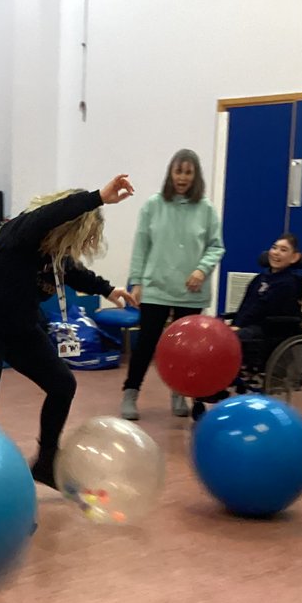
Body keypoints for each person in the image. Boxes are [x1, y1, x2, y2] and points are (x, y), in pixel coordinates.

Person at [0, 175, 137, 488]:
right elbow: (50, 214)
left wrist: (108, 289)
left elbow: (74, 273)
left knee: (63, 384)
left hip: (20, 329)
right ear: (67, 225)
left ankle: (46, 462)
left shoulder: (54, 254)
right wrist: (98, 197)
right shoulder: (21, 231)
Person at [121, 149, 225, 421]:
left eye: (188, 172)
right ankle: (131, 392)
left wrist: (202, 271)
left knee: (186, 350)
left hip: (191, 292)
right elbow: (141, 246)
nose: (182, 178)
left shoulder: (206, 209)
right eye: (178, 171)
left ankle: (179, 391)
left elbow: (216, 247)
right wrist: (137, 282)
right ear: (170, 173)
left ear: (195, 176)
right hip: (156, 288)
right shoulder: (152, 206)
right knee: (146, 343)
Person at [230, 232, 302, 345]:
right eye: (274, 248)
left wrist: (239, 327)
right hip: (249, 326)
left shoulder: (289, 283)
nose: (276, 253)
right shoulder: (259, 279)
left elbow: (262, 309)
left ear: (294, 257)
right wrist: (235, 324)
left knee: (228, 338)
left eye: (283, 250)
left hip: (269, 330)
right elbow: (245, 305)